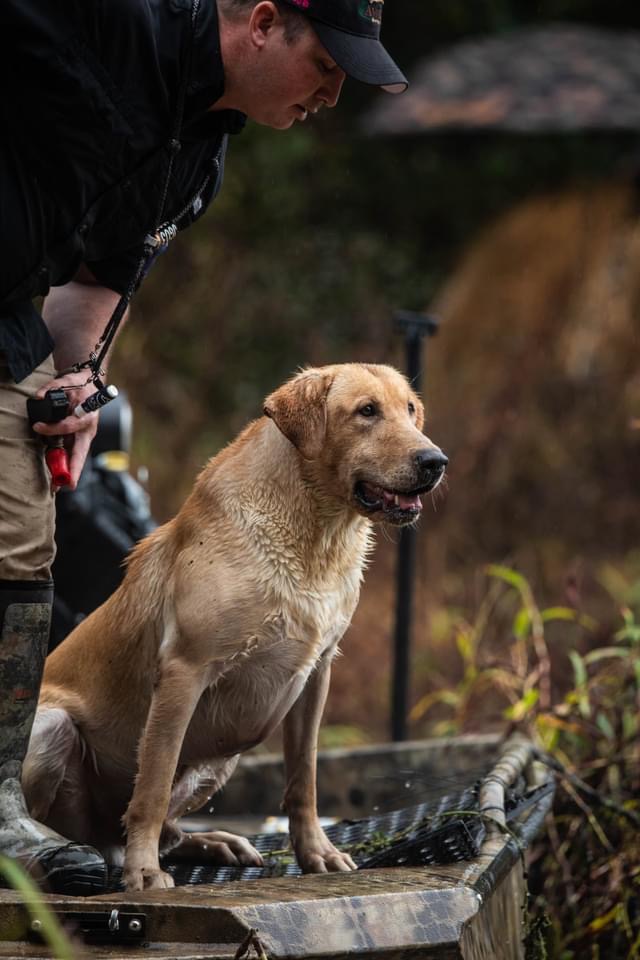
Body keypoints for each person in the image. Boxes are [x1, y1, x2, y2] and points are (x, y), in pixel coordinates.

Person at [0, 0, 407, 893]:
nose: (331, 96)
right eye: (325, 67)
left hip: (9, 328)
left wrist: (78, 380)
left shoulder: (199, 150)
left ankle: (4, 814)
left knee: (19, 542)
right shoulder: (112, 22)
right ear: (264, 22)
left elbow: (104, 272)